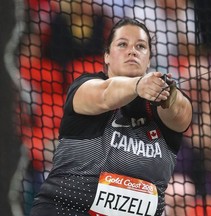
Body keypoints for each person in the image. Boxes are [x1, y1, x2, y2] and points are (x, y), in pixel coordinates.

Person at [29, 17, 192, 216]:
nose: (132, 50)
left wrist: (170, 95)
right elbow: (105, 95)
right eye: (122, 44)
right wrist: (138, 85)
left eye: (141, 46)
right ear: (106, 55)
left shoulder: (161, 106)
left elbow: (181, 113)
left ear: (149, 59)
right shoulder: (85, 85)